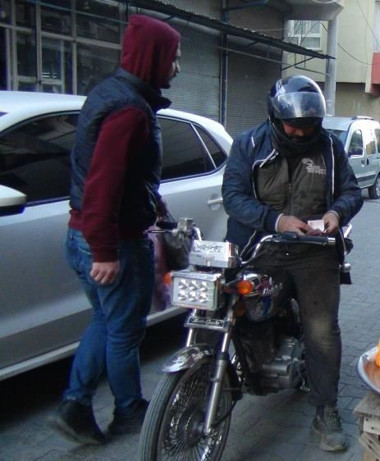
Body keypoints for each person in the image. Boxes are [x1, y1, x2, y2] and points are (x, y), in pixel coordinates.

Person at [49, 15, 181, 445]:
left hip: (87, 234)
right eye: (173, 58)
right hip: (112, 242)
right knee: (124, 331)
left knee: (106, 321)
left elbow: (125, 176)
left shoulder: (111, 94)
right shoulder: (129, 110)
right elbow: (102, 183)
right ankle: (128, 411)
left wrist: (154, 204)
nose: (176, 67)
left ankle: (75, 404)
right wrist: (105, 250)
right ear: (154, 57)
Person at [221, 75, 363, 452]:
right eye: (293, 125)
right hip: (260, 246)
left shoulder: (331, 149)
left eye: (309, 126)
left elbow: (351, 191)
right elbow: (233, 196)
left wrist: (336, 211)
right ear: (274, 118)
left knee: (321, 331)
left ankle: (326, 410)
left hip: (313, 254)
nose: (300, 133)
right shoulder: (248, 144)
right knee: (232, 310)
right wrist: (277, 221)